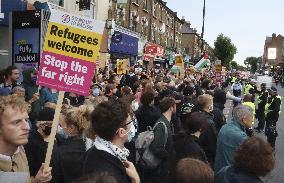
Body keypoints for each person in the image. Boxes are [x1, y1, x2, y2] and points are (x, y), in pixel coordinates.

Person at [83, 100, 140, 183]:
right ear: (121, 132)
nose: (132, 126)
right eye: (130, 122)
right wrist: (136, 180)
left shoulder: (94, 151)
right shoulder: (109, 176)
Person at [0, 95, 52, 183]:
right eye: (16, 122)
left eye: (26, 120)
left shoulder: (20, 149)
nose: (27, 127)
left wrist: (35, 181)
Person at [52, 105, 94, 183]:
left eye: (61, 125)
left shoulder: (61, 152)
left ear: (71, 128)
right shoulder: (96, 147)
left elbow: (55, 178)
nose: (61, 128)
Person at [214, 105, 253, 173]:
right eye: (251, 117)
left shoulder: (225, 127)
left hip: (220, 169)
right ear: (244, 120)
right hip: (230, 175)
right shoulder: (241, 136)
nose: (252, 120)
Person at [149, 97, 177, 182]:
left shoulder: (167, 122)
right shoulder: (161, 125)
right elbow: (157, 148)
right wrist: (168, 156)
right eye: (175, 106)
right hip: (162, 167)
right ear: (171, 108)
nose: (176, 108)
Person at [24, 108, 54, 178]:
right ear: (41, 124)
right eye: (50, 124)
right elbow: (30, 167)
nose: (53, 128)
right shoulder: (30, 141)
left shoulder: (55, 138)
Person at [196, 94, 217, 167]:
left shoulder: (196, 115)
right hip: (207, 155)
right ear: (209, 105)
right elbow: (212, 143)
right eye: (211, 103)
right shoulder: (209, 122)